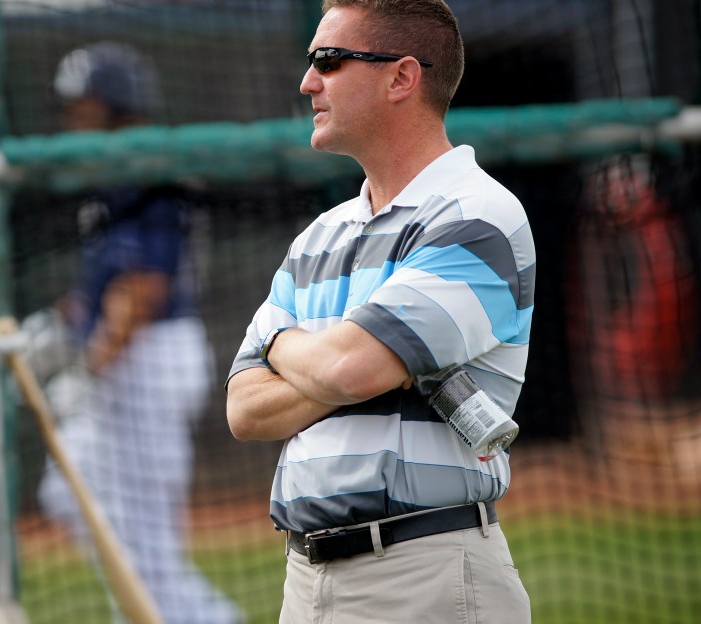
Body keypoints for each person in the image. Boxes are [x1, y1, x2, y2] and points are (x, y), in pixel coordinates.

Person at [224, 1, 535, 622]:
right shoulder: (320, 235)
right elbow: (245, 409)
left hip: (427, 576)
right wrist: (363, 358)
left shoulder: (476, 217)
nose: (308, 81)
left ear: (402, 78)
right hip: (305, 581)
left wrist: (277, 336)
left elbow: (346, 371)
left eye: (330, 61)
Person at [34, 41, 244, 624]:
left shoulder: (143, 166)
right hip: (132, 352)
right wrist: (62, 324)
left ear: (115, 105)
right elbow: (107, 289)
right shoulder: (114, 169)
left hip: (150, 357)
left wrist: (88, 366)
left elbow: (141, 291)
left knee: (148, 541)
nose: (72, 117)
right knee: (66, 490)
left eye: (83, 105)